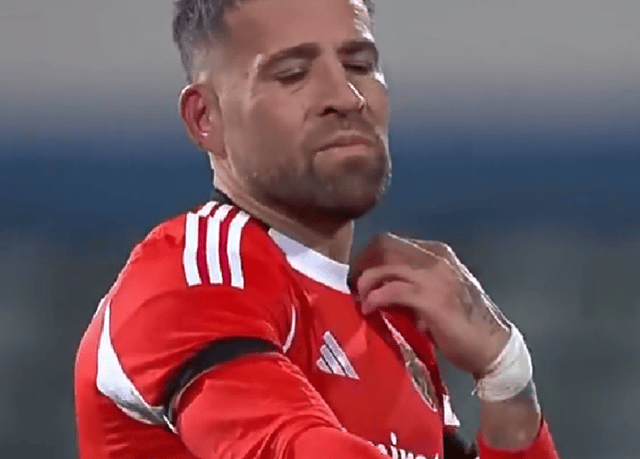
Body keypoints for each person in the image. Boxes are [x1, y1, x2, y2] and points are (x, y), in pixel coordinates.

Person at [74, 0, 560, 457]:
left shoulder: (392, 318)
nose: (346, 97)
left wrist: (506, 374)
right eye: (293, 74)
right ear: (207, 117)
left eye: (359, 65)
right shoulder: (191, 277)